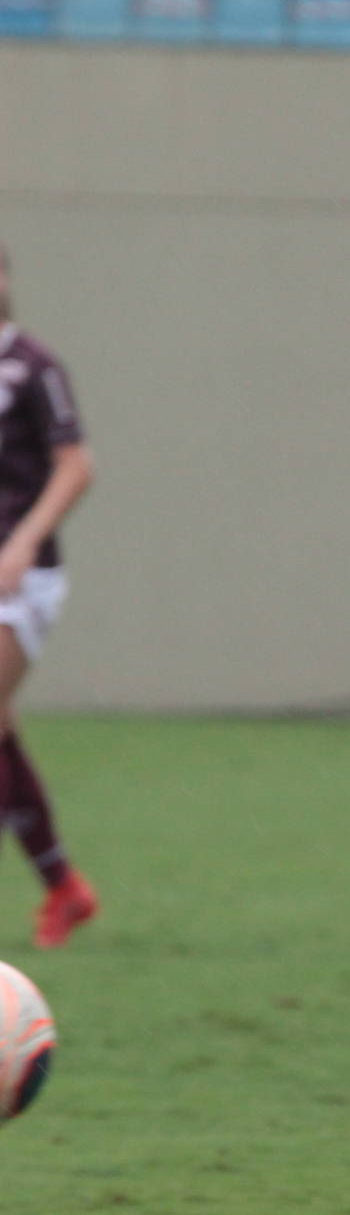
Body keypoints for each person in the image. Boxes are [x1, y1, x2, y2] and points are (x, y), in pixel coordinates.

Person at [0, 242, 99, 949]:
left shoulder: (34, 366)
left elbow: (77, 465)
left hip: (19, 575)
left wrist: (26, 538)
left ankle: (64, 885)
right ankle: (63, 885)